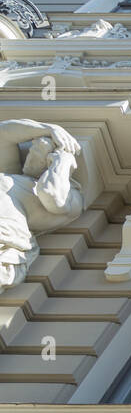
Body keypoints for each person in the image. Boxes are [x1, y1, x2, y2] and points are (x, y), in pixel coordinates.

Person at [0, 120, 83, 288]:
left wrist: (63, 161)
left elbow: (51, 195)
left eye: (40, 150)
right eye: (34, 147)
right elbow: (3, 133)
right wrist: (50, 128)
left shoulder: (71, 197)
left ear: (50, 161)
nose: (31, 153)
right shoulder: (15, 178)